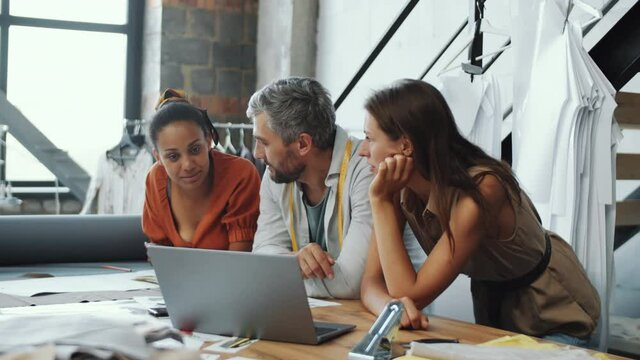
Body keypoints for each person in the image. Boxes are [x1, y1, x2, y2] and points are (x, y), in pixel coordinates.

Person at [358, 79, 600, 345]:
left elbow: (411, 293)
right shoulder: (397, 187)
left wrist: (380, 203)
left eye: (370, 138)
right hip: (495, 314)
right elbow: (370, 283)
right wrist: (390, 309)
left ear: (405, 145)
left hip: (553, 310)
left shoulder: (484, 189)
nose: (362, 150)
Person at [247, 77, 373, 299]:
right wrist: (292, 262)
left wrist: (280, 275)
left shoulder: (366, 170)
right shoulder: (276, 174)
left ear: (303, 144)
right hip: (319, 318)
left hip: (378, 323)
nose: (257, 153)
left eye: (264, 142)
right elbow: (262, 257)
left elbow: (350, 283)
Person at [142, 89, 260, 250]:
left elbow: (239, 262)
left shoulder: (240, 174)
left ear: (209, 140)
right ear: (158, 157)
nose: (188, 165)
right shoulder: (155, 179)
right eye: (173, 157)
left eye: (195, 150)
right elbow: (160, 255)